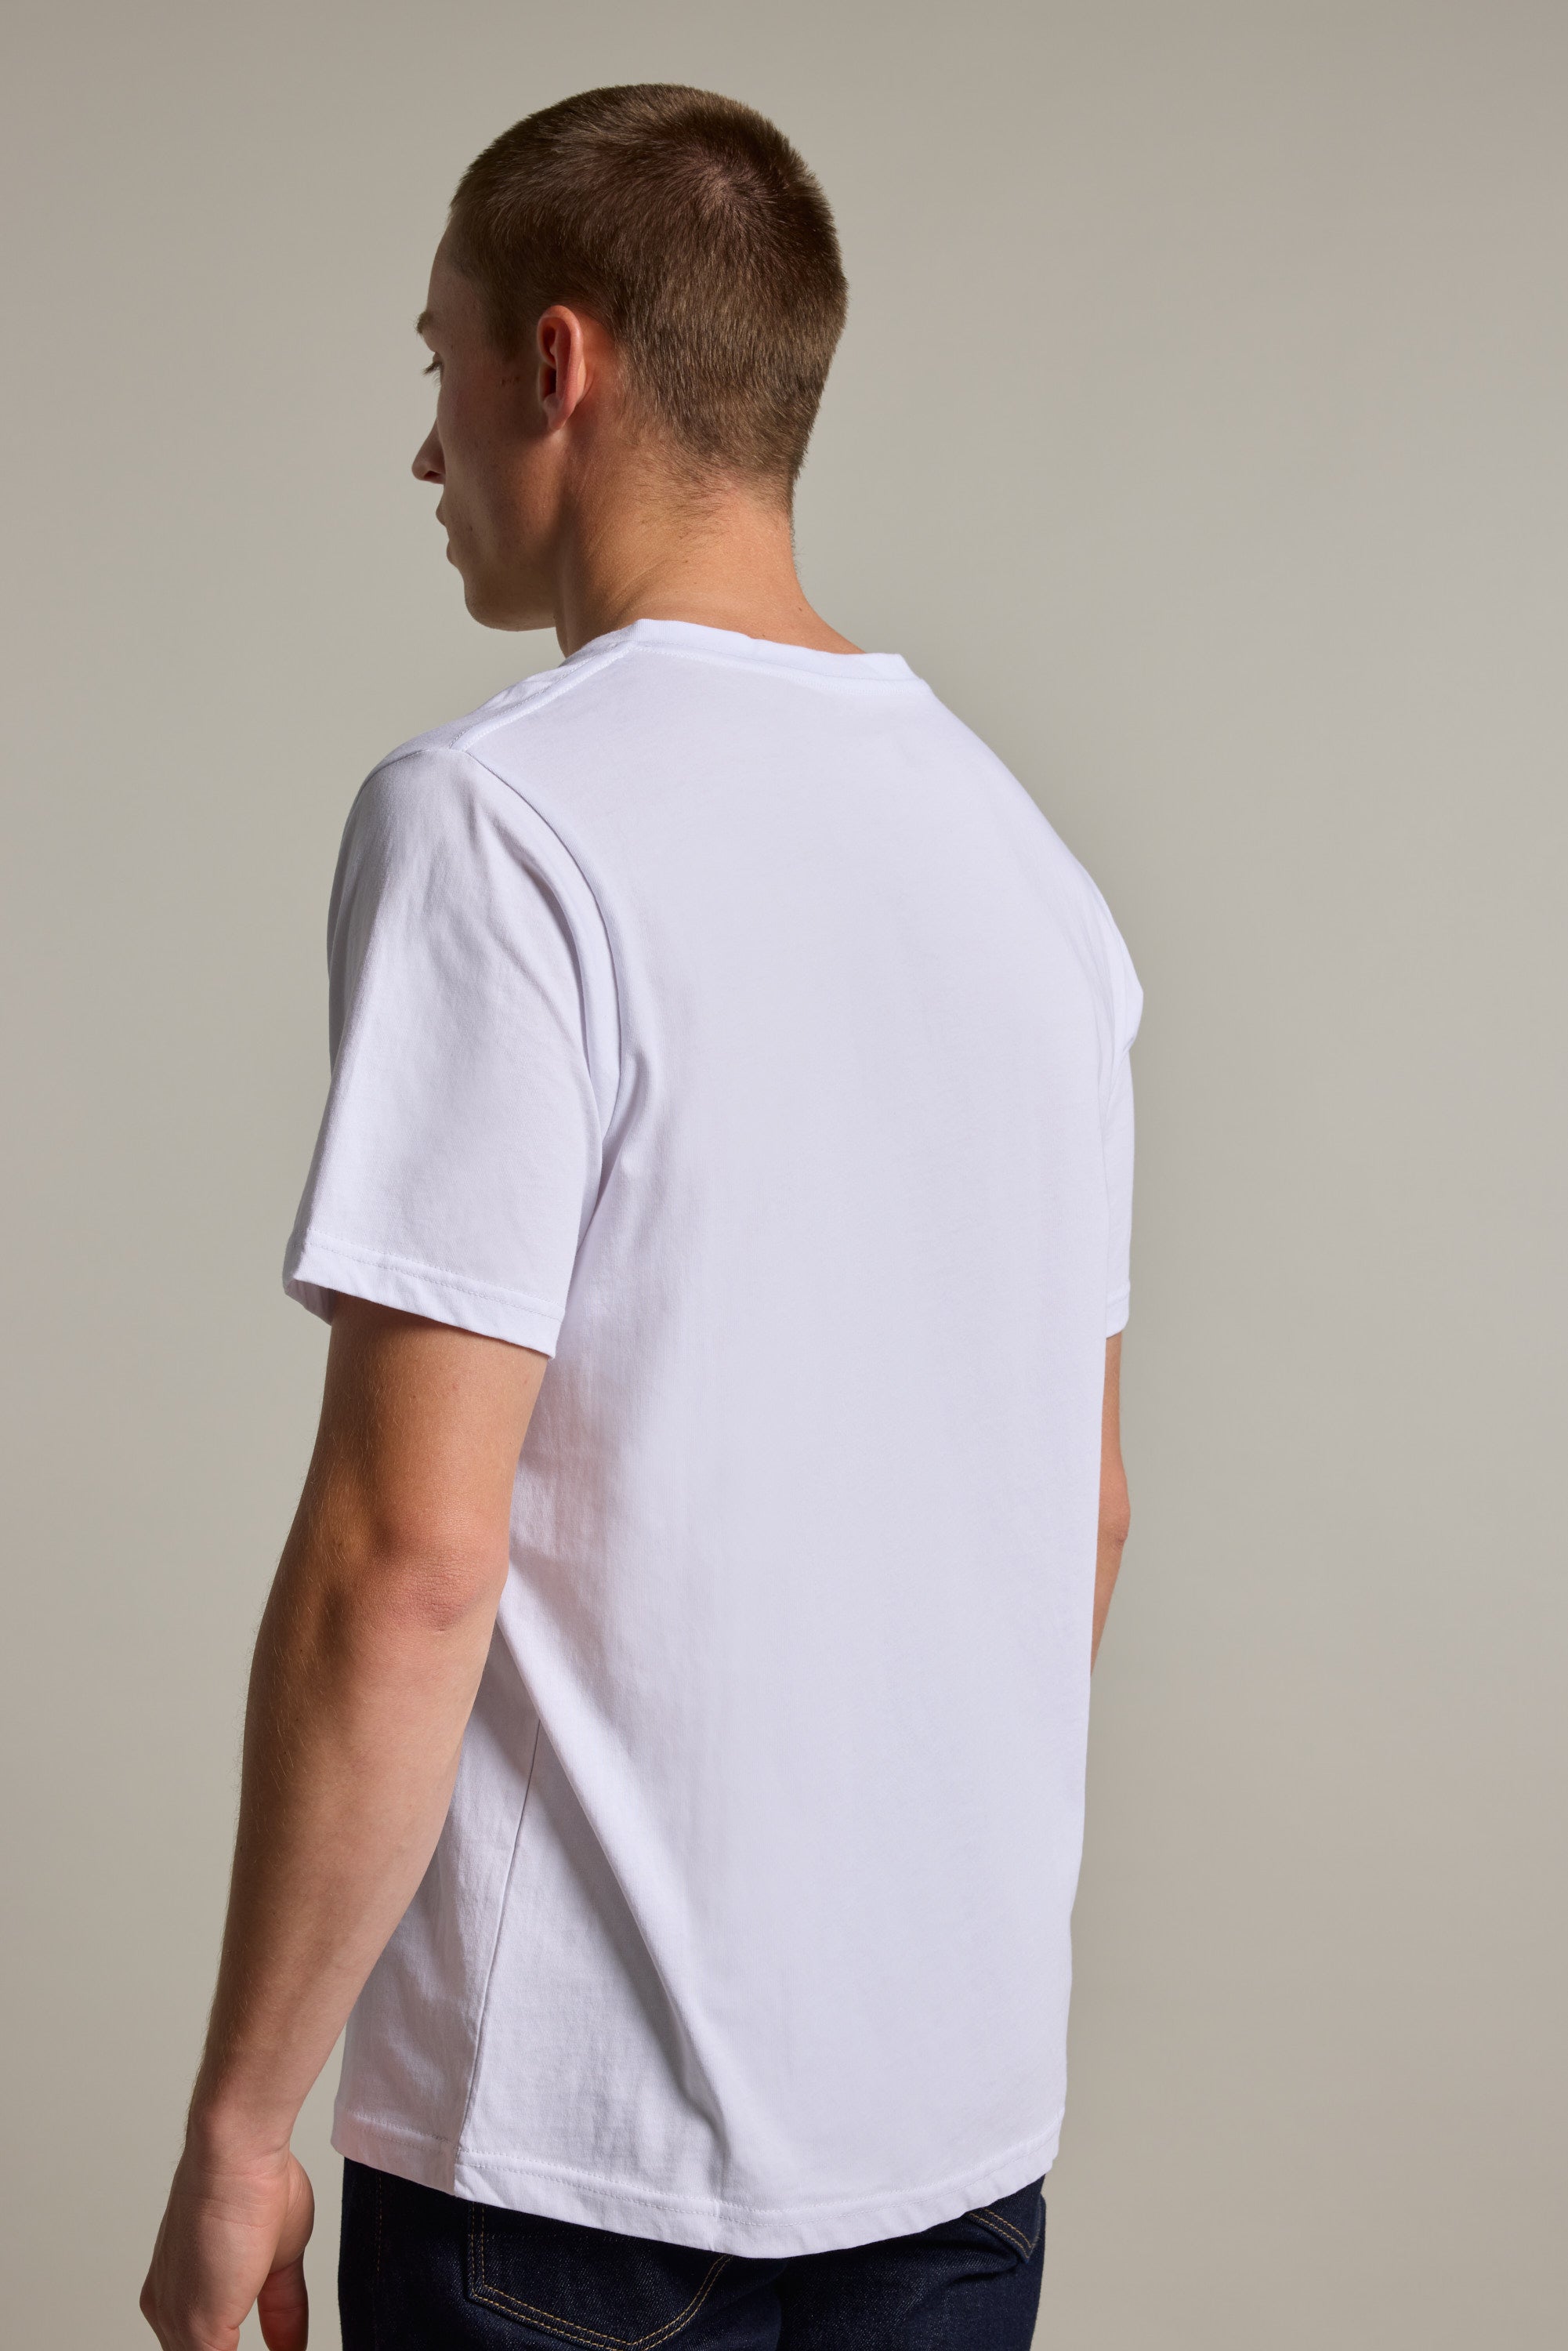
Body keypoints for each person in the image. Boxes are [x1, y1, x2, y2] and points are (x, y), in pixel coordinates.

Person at [140, 82, 1141, 2351]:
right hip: (953, 2154)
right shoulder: (1031, 881)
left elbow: (407, 1563)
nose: (425, 448)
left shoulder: (501, 826)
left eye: (438, 364)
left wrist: (235, 2133)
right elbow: (1075, 1517)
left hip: (569, 2188)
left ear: (558, 367)